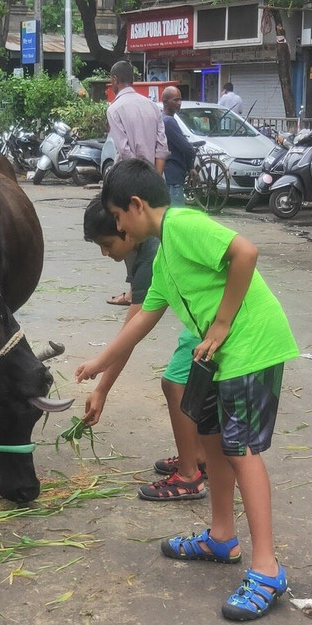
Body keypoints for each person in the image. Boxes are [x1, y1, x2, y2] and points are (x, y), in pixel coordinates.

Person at [75, 159, 299, 621]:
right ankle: (221, 537)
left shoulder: (183, 224)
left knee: (242, 453)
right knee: (212, 445)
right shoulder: (163, 258)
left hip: (251, 347)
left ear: (136, 206)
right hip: (218, 358)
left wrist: (220, 323)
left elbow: (246, 252)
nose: (115, 225)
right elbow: (142, 319)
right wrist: (99, 365)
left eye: (116, 217)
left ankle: (267, 568)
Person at [82, 198, 207, 500]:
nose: (105, 253)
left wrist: (102, 389)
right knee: (187, 382)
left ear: (126, 227)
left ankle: (190, 476)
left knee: (174, 383)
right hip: (200, 317)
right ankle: (199, 455)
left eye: (108, 244)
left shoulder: (153, 252)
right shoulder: (141, 246)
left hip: (209, 318)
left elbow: (132, 331)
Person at [106, 60, 169, 307]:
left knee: (130, 236)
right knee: (159, 235)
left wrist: (137, 181)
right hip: (156, 180)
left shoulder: (115, 109)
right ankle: (162, 286)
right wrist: (155, 179)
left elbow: (125, 151)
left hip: (131, 181)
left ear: (114, 80)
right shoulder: (152, 106)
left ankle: (135, 292)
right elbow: (162, 147)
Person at [161, 86, 196, 208]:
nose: (179, 103)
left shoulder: (164, 119)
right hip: (173, 175)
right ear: (165, 102)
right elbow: (186, 148)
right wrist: (191, 160)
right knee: (176, 213)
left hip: (169, 174)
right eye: (175, 100)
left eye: (180, 100)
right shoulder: (168, 121)